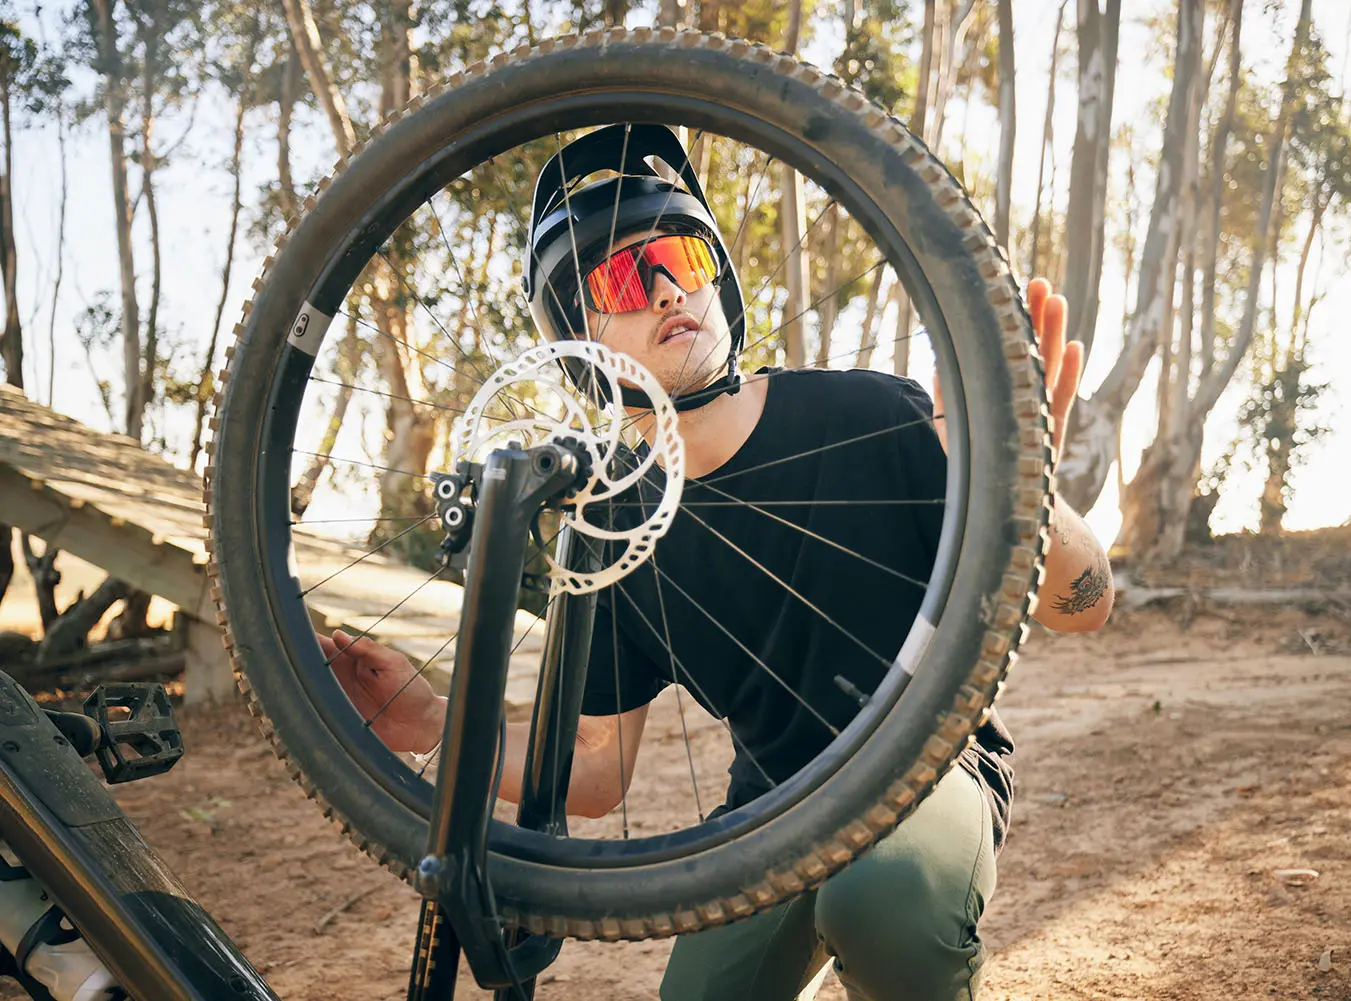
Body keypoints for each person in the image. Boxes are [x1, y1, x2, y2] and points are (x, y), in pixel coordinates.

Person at [320, 125, 1113, 1001]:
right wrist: (434, 719)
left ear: (717, 280)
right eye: (623, 274)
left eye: (681, 254)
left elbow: (1085, 607)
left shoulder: (868, 411)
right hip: (769, 808)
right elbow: (591, 769)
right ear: (579, 340)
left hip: (932, 764)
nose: (664, 284)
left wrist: (1024, 484)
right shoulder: (612, 526)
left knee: (882, 901)